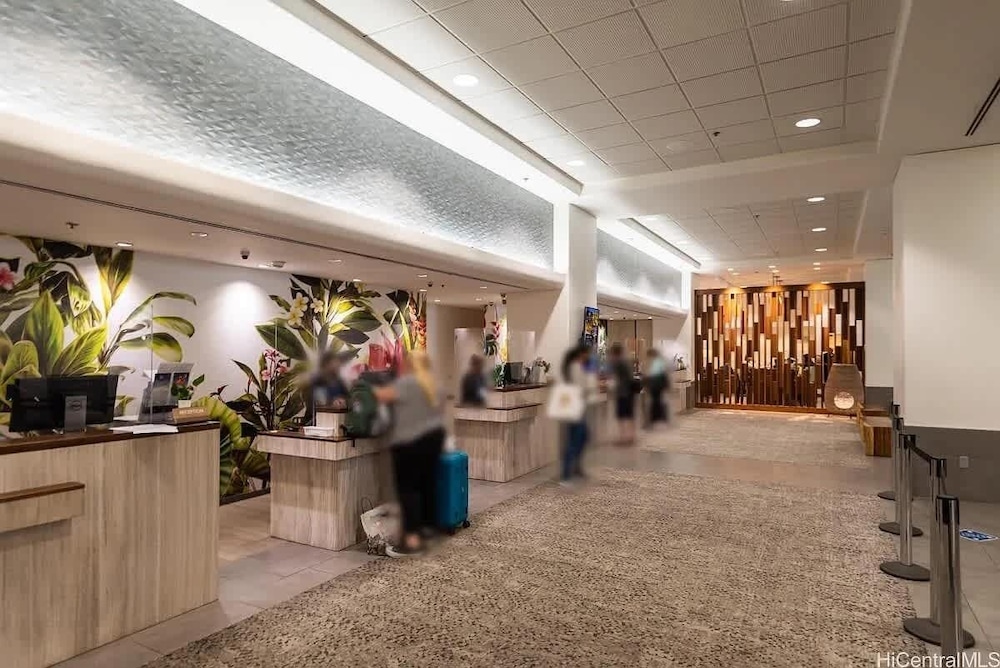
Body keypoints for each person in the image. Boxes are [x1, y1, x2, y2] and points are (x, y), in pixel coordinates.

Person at [374, 351, 445, 557]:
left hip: (410, 442)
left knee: (407, 489)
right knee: (426, 485)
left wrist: (369, 384)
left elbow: (381, 395)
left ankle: (412, 540)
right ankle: (426, 530)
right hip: (433, 440)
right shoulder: (434, 385)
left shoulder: (407, 383)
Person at [559, 344, 591, 485]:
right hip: (576, 408)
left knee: (580, 438)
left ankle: (575, 468)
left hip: (575, 408)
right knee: (575, 440)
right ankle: (566, 474)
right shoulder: (576, 367)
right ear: (582, 354)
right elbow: (581, 387)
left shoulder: (573, 367)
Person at [609, 343, 636, 444]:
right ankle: (631, 436)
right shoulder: (626, 361)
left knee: (622, 415)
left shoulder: (618, 362)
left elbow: (616, 379)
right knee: (629, 414)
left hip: (622, 392)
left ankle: (624, 437)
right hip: (629, 392)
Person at [645, 348, 669, 428]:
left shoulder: (656, 363)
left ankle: (656, 421)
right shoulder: (659, 362)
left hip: (656, 386)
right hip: (658, 386)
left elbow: (653, 375)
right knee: (658, 402)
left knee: (656, 403)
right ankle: (659, 420)